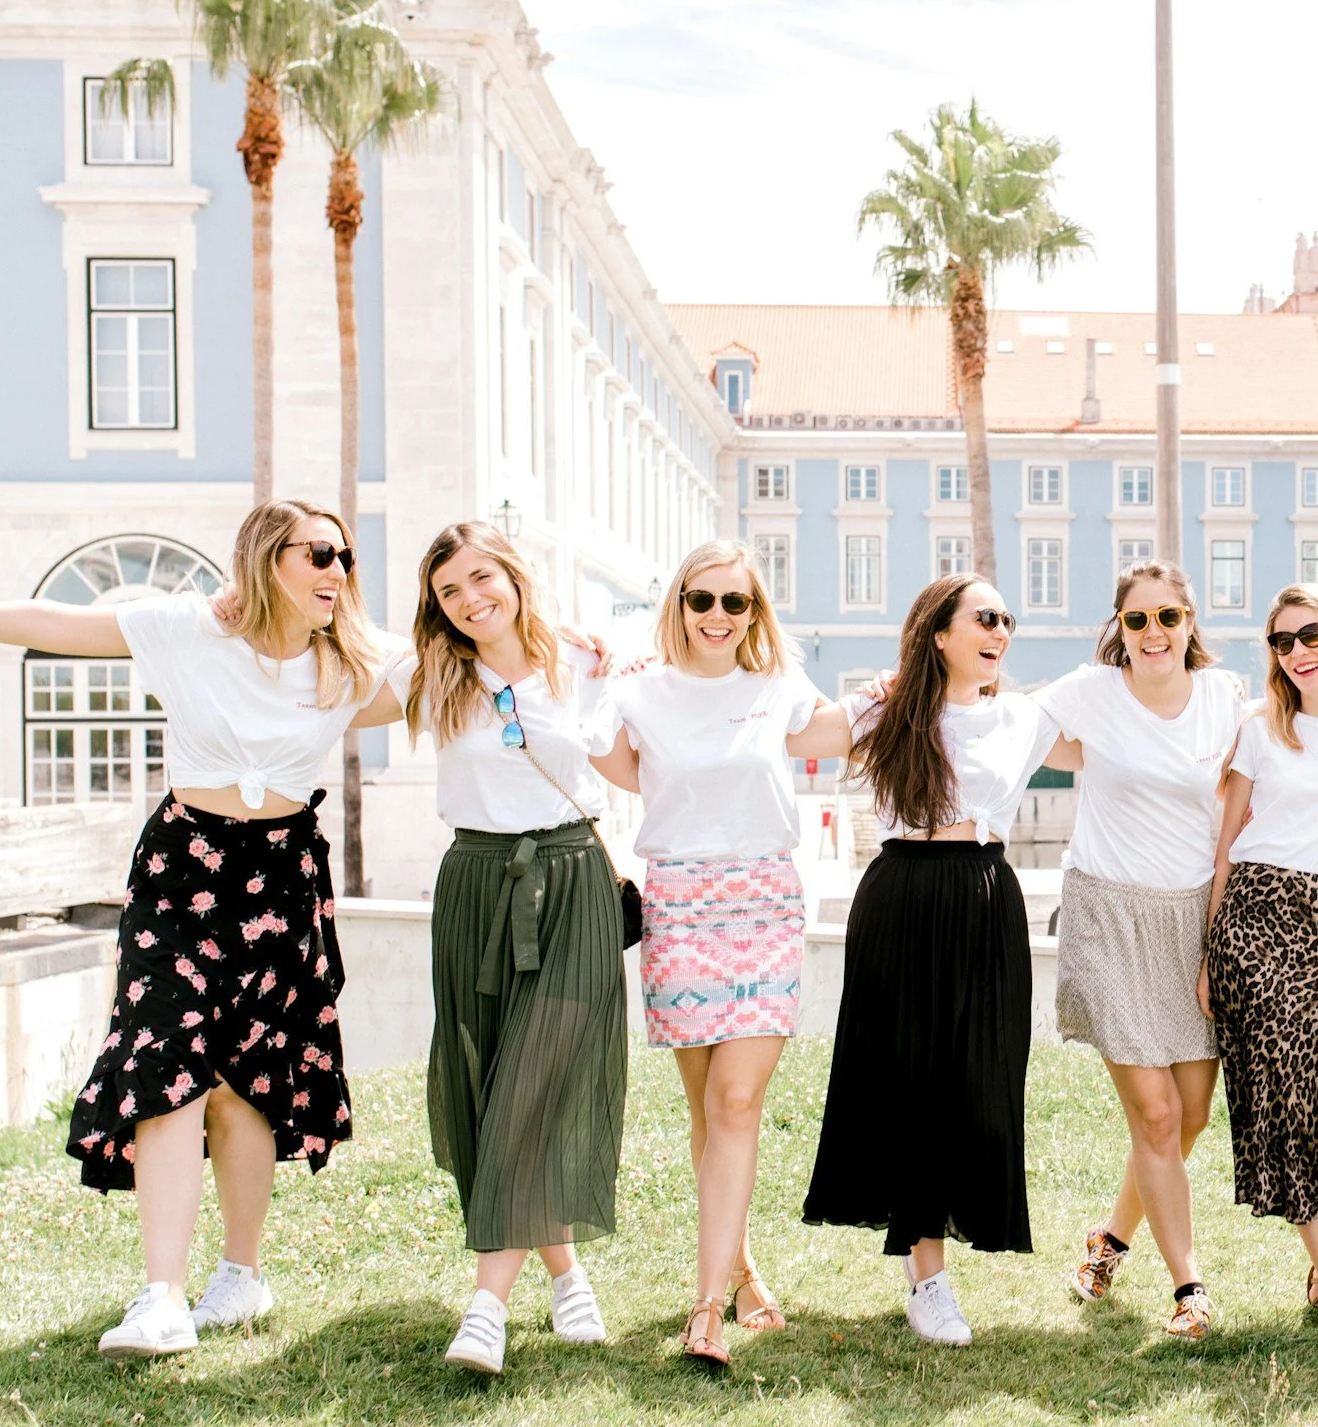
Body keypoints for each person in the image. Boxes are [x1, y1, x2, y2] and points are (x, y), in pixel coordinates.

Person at [0, 501, 401, 1359]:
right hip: (183, 874)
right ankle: (162, 1296)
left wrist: (577, 653)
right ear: (267, 557)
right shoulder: (190, 630)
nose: (338, 570)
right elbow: (54, 622)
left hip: (281, 879)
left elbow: (469, 658)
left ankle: (241, 1275)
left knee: (248, 1077)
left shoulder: (351, 660)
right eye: (321, 553)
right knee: (166, 1060)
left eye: (347, 557)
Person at [595, 540, 852, 1368]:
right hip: (679, 902)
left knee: (738, 1101)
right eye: (700, 599)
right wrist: (591, 671)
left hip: (764, 900)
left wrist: (907, 681)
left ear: (753, 612)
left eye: (733, 602)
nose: (716, 615)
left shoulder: (777, 685)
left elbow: (841, 731)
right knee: (708, 1110)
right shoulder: (639, 691)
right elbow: (609, 762)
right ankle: (738, 1270)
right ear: (678, 604)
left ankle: (705, 1308)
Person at [801, 574, 1062, 1346]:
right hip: (904, 893)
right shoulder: (888, 709)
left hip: (986, 894)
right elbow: (799, 733)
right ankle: (928, 1276)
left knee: (979, 1081)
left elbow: (1123, 723)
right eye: (985, 617)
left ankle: (933, 1249)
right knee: (911, 1081)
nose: (1000, 630)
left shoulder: (1023, 715)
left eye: (1006, 618)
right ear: (939, 633)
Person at [404, 523, 629, 1376]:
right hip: (475, 880)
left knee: (540, 1076)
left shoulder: (584, 662)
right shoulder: (431, 673)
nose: (470, 600)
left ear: (514, 576)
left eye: (480, 578)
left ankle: (486, 1306)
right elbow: (327, 662)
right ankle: (567, 1274)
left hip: (570, 880)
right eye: (449, 591)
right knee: (487, 1079)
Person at [1038, 563, 1248, 1342]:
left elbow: (1286, 760)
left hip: (1191, 918)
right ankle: (1190, 1286)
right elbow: (1001, 723)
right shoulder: (1090, 692)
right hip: (1109, 913)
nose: (1153, 632)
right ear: (1119, 628)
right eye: (1137, 619)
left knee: (1188, 1115)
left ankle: (1110, 1238)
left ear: (1190, 621)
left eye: (1168, 616)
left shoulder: (1225, 700)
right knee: (1156, 1115)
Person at [1202, 583, 1318, 1362]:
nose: (1297, 652)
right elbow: (1225, 848)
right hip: (1257, 920)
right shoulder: (1259, 729)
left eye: (1311, 634)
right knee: (1289, 1111)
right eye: (1282, 641)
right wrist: (1210, 952)